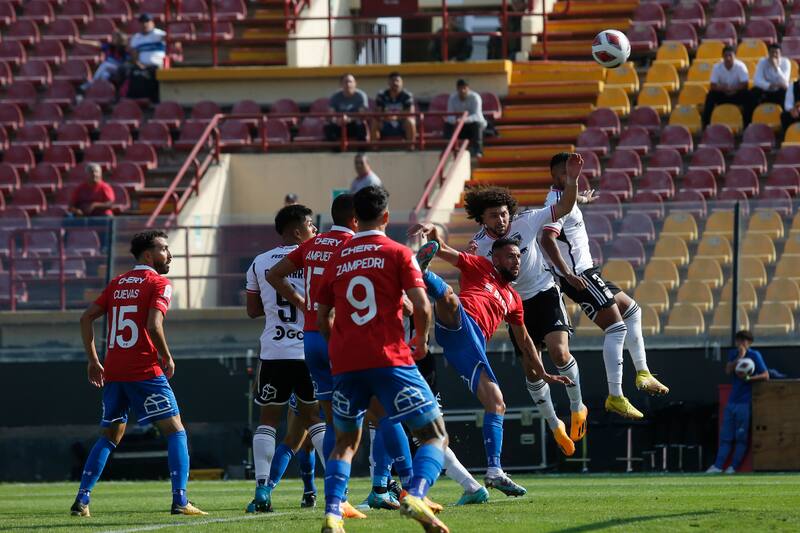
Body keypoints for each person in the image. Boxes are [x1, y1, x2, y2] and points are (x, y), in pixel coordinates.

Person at [315, 186, 448, 533]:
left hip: (345, 364)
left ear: (355, 218)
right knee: (435, 435)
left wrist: (336, 350)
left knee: (345, 442)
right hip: (391, 360)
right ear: (386, 217)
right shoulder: (398, 253)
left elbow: (322, 316)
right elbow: (421, 306)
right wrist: (420, 342)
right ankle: (415, 493)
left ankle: (332, 514)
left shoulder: (338, 257)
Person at [407, 224, 573, 497]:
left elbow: (525, 340)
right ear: (495, 259)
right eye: (510, 256)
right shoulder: (480, 266)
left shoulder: (514, 299)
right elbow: (445, 251)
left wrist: (542, 373)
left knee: (497, 403)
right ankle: (421, 273)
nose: (516, 260)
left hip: (473, 345)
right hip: (461, 323)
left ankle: (494, 471)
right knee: (449, 296)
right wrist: (435, 232)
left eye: (518, 256)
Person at [70, 230, 207, 517]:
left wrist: (93, 360)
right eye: (164, 248)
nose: (169, 254)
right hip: (144, 370)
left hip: (115, 370)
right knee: (176, 432)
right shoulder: (159, 283)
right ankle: (180, 500)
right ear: (148, 254)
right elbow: (154, 324)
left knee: (109, 435)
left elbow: (86, 317)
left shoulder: (118, 283)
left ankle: (82, 500)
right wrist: (167, 356)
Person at [463, 156, 594, 452]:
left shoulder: (527, 220)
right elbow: (471, 284)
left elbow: (563, 208)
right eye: (494, 216)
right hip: (514, 307)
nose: (501, 220)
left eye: (504, 214)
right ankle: (554, 424)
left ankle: (577, 407)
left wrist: (572, 182)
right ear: (482, 219)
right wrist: (468, 260)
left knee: (560, 353)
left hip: (544, 292)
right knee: (533, 371)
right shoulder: (478, 247)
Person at [267, 194, 381, 517]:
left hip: (307, 341)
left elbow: (273, 275)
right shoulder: (355, 246)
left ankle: (335, 495)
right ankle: (389, 487)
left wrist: (304, 302)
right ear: (357, 218)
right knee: (382, 413)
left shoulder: (312, 246)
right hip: (338, 337)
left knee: (326, 419)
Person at [540, 153, 669, 410]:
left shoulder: (564, 196)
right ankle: (616, 396)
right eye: (568, 173)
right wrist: (567, 274)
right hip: (580, 276)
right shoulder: (556, 201)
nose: (574, 177)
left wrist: (582, 199)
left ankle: (643, 372)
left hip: (588, 271)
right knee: (616, 328)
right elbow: (547, 238)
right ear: (556, 177)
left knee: (632, 310)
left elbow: (569, 199)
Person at [243, 204, 328, 514]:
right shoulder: (315, 259)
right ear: (296, 231)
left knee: (268, 421)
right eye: (311, 225)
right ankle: (336, 490)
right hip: (309, 350)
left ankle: (262, 490)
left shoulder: (259, 262)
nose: (315, 231)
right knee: (315, 419)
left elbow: (252, 310)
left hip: (274, 352)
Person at [706, 330, 769, 474]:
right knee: (726, 436)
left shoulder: (755, 355)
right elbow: (728, 370)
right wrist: (739, 358)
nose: (740, 344)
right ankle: (718, 466)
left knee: (741, 437)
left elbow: (766, 375)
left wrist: (749, 379)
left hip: (745, 403)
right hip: (732, 401)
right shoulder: (733, 354)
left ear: (749, 342)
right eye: (738, 341)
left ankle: (734, 467)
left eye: (743, 341)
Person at [702, 46, 751, 127]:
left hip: (736, 94)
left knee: (748, 95)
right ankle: (706, 125)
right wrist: (722, 88)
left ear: (734, 56)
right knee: (710, 95)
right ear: (722, 57)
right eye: (725, 56)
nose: (728, 58)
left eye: (730, 56)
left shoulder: (741, 66)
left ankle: (747, 124)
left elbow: (745, 84)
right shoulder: (717, 67)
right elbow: (713, 85)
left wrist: (733, 88)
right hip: (723, 94)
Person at [445, 79, 487, 157]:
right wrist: (456, 121)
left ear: (468, 88)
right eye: (460, 88)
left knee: (477, 125)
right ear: (457, 89)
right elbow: (449, 116)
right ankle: (448, 149)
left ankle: (478, 151)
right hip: (459, 126)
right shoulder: (452, 98)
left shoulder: (475, 97)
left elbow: (477, 116)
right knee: (447, 125)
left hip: (473, 127)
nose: (463, 91)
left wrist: (463, 120)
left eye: (464, 88)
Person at [324, 73, 369, 143]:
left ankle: (361, 150)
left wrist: (350, 119)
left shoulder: (361, 96)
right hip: (339, 124)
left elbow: (362, 115)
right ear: (341, 84)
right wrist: (336, 120)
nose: (348, 84)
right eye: (345, 82)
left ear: (355, 83)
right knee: (328, 126)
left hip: (354, 123)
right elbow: (331, 113)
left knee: (361, 125)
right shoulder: (335, 96)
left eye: (350, 82)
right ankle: (335, 151)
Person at [373, 72, 416, 142]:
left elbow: (410, 112)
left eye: (397, 81)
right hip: (385, 123)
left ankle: (411, 147)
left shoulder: (407, 95)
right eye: (393, 80)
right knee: (375, 122)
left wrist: (396, 117)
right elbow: (378, 111)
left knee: (410, 122)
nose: (395, 83)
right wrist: (387, 118)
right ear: (388, 82)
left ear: (402, 83)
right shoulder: (381, 95)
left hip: (401, 124)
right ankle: (374, 149)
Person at [752, 44, 791, 108]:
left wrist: (776, 67)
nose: (774, 55)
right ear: (768, 53)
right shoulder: (762, 61)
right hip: (767, 90)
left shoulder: (786, 62)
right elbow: (756, 80)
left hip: (779, 92)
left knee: (786, 92)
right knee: (753, 92)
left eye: (776, 53)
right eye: (772, 52)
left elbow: (785, 83)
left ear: (780, 54)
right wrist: (770, 85)